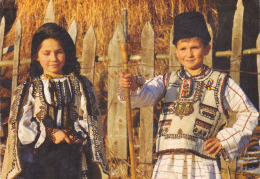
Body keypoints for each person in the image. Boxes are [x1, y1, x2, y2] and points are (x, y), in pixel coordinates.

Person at [118, 11, 259, 178]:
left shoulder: (221, 82)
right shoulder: (167, 81)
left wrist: (225, 140)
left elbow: (250, 113)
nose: (189, 54)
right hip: (167, 163)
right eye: (183, 48)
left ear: (207, 48)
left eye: (194, 47)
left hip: (202, 163)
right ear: (176, 51)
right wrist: (133, 85)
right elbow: (145, 94)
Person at [1, 23, 109, 179]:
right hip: (38, 161)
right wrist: (51, 133)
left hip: (74, 159)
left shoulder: (81, 85)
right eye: (47, 53)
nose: (53, 59)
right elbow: (21, 127)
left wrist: (71, 133)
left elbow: (92, 120)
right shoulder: (28, 89)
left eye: (59, 52)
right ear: (36, 56)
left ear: (67, 53)